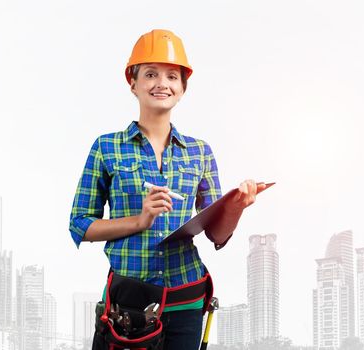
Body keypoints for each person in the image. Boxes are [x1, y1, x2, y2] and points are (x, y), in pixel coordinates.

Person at [69, 29, 265, 350]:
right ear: (132, 83)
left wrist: (236, 206)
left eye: (172, 76)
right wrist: (140, 220)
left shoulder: (200, 152)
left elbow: (216, 235)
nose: (162, 83)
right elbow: (80, 224)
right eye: (150, 74)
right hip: (128, 305)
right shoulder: (107, 148)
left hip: (185, 301)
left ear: (183, 87)